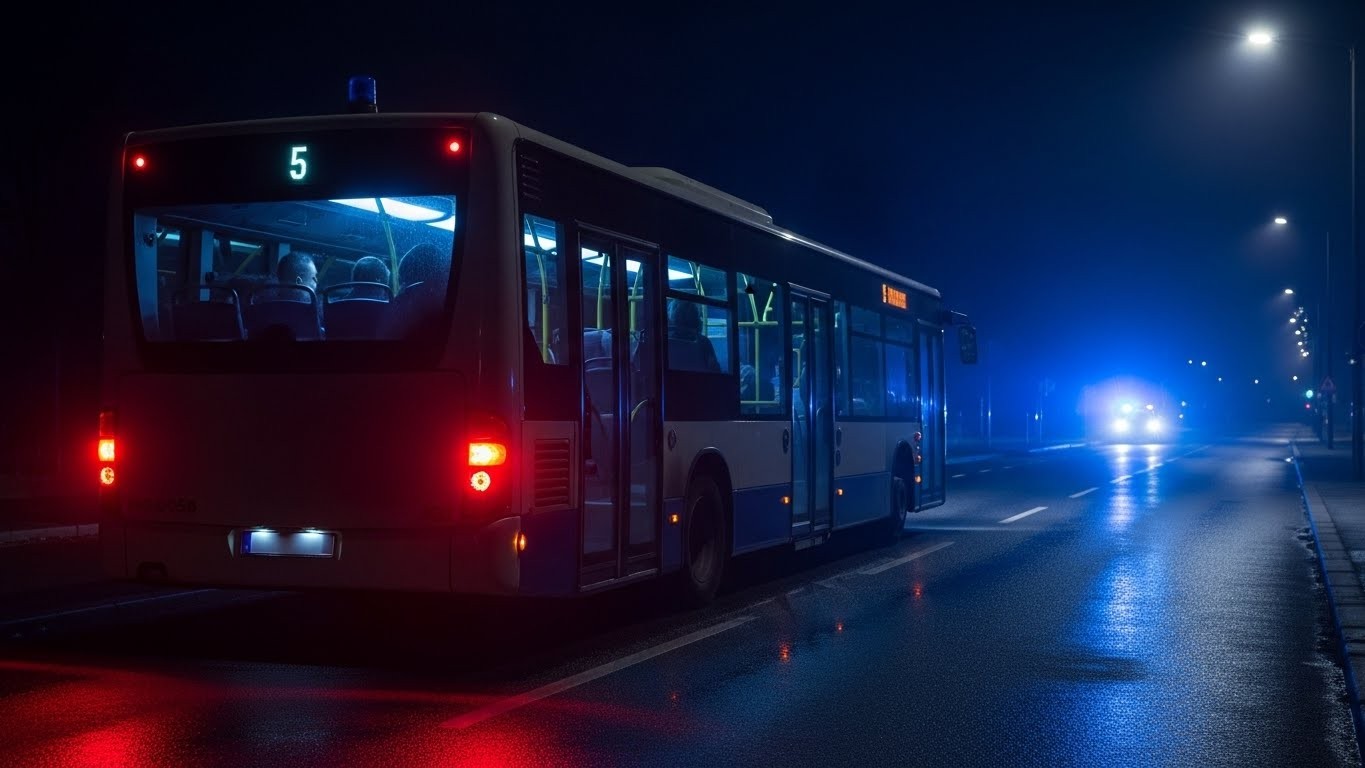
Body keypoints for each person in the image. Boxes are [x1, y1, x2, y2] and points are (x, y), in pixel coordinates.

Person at [667, 298, 721, 372]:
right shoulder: (703, 342)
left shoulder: (666, 340)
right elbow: (715, 370)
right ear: (695, 315)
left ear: (672, 316)